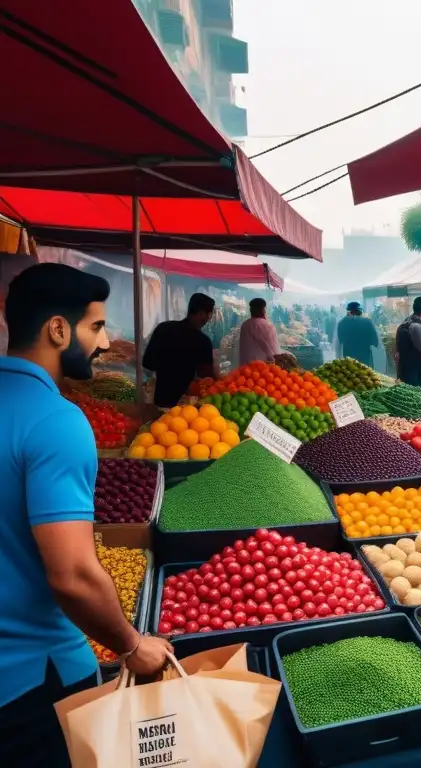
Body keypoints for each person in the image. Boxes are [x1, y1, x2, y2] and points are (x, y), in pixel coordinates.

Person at [0, 264, 173, 766]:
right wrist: (130, 643)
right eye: (96, 327)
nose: (105, 342)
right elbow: (73, 574)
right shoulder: (57, 421)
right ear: (58, 329)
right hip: (32, 680)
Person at [142, 292, 217, 408]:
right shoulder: (203, 342)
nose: (209, 318)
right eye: (209, 314)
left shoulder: (163, 328)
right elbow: (207, 377)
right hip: (186, 408)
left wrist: (166, 371)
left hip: (161, 401)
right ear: (201, 313)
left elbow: (147, 362)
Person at [237, 297, 281, 366]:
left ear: (251, 310)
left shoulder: (245, 324)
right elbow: (273, 346)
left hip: (246, 367)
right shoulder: (267, 325)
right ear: (263, 310)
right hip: (263, 368)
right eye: (264, 309)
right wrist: (278, 360)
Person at [336, 301, 378, 368]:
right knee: (365, 375)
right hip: (364, 357)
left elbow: (340, 340)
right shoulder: (368, 321)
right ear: (359, 311)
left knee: (351, 375)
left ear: (348, 311)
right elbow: (375, 341)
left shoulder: (341, 322)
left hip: (349, 358)